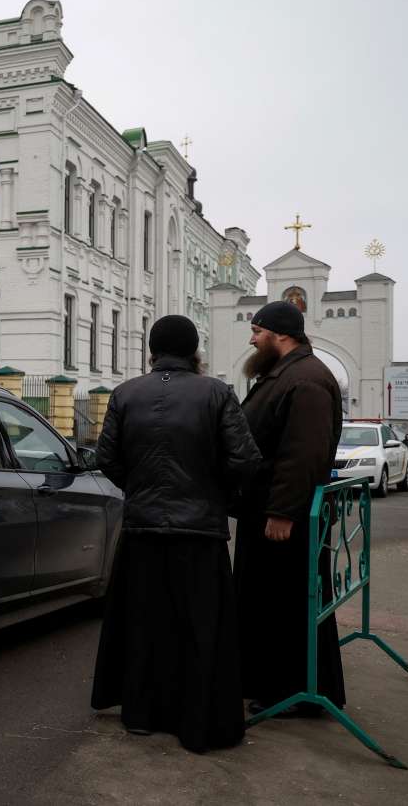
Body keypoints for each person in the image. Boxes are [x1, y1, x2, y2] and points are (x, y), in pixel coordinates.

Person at [91, 315, 261, 752]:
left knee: (145, 622)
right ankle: (197, 722)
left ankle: (142, 715)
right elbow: (244, 459)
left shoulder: (126, 393)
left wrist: (140, 486)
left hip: (142, 529)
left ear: (153, 349)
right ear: (194, 351)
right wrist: (214, 491)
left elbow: (106, 457)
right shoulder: (217, 393)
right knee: (199, 627)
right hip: (200, 533)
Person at [234, 300, 345, 717]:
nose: (252, 338)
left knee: (284, 604)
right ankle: (271, 683)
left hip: (282, 518)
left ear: (280, 334)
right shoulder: (287, 374)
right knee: (270, 601)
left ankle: (288, 691)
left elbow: (304, 454)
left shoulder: (306, 380)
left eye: (258, 331)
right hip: (266, 509)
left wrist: (283, 511)